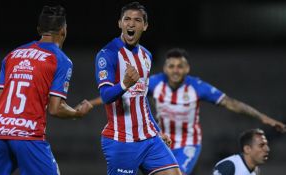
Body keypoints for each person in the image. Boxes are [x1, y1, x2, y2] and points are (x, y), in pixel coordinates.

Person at [0, 5, 93, 175]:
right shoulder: (60, 60)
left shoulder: (12, 55)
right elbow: (55, 108)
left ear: (39, 29)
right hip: (28, 135)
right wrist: (76, 113)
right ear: (63, 31)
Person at [147, 48, 286, 174]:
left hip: (188, 143)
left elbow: (230, 103)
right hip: (163, 141)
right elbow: (133, 93)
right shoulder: (155, 83)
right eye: (171, 66)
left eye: (180, 66)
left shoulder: (197, 86)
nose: (175, 70)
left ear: (187, 68)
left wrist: (263, 118)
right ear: (165, 68)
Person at [94, 2, 182, 175]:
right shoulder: (108, 54)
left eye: (137, 20)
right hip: (122, 141)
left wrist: (156, 131)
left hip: (149, 139)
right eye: (127, 19)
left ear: (145, 26)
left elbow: (141, 98)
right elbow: (105, 96)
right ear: (120, 23)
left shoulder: (146, 56)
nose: (131, 24)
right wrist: (125, 83)